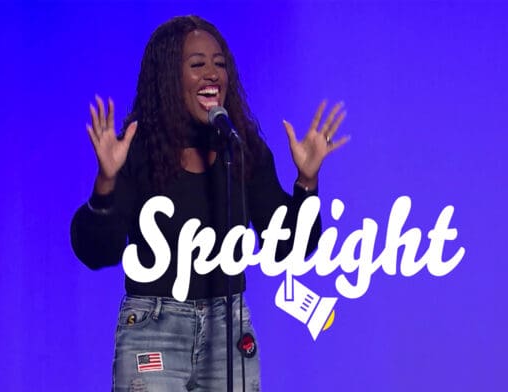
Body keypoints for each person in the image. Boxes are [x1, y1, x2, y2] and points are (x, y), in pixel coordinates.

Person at [70, 15, 347, 392]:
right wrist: (106, 180)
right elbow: (96, 252)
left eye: (220, 64)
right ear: (169, 77)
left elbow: (287, 247)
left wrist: (307, 181)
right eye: (197, 65)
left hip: (229, 326)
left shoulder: (241, 149)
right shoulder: (138, 152)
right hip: (154, 326)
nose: (212, 74)